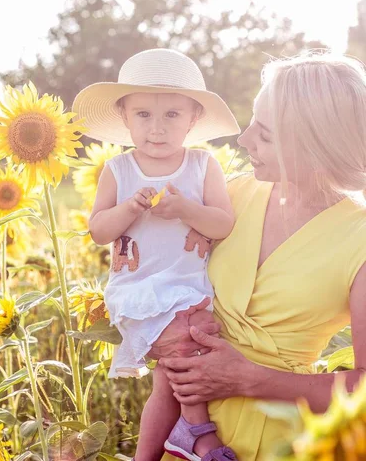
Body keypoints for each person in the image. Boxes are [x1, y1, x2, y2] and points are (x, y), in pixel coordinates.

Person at [160, 52, 366, 461]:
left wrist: (248, 379)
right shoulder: (229, 197)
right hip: (185, 431)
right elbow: (165, 287)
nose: (243, 140)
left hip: (284, 441)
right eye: (252, 121)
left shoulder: (359, 237)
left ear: (317, 143)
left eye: (266, 135)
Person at [72, 48, 241, 461]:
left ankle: (151, 451)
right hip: (140, 292)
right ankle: (200, 432)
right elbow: (98, 231)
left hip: (190, 289)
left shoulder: (203, 165)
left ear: (194, 119)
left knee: (171, 376)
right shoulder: (119, 169)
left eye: (172, 116)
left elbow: (223, 223)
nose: (157, 129)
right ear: (125, 117)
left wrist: (186, 209)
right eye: (144, 115)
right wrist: (129, 208)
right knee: (186, 348)